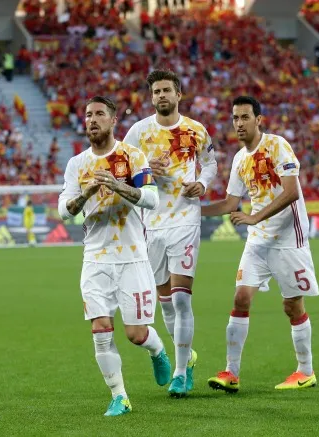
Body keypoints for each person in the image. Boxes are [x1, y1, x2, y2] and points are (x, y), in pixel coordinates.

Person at [58, 96, 170, 417]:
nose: (92, 119)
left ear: (113, 120)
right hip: (95, 258)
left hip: (132, 256)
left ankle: (157, 350)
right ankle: (119, 395)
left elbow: (151, 198)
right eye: (88, 114)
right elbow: (64, 211)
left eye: (99, 114)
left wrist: (119, 186)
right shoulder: (76, 165)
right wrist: (88, 193)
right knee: (101, 329)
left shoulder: (132, 156)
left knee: (136, 334)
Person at [201, 96, 319, 393]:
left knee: (291, 305)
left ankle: (306, 371)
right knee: (241, 298)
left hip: (289, 238)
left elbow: (291, 192)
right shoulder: (240, 159)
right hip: (258, 240)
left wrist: (254, 217)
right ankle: (231, 372)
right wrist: (192, 209)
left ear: (259, 120)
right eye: (235, 118)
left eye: (244, 117)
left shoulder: (277, 146)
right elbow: (230, 203)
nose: (239, 123)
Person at [122, 69, 217, 397]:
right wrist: (144, 171)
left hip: (185, 220)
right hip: (151, 222)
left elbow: (212, 163)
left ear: (179, 95)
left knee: (180, 298)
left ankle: (179, 373)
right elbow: (121, 172)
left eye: (166, 90)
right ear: (151, 97)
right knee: (164, 303)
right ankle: (186, 357)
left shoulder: (195, 130)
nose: (161, 96)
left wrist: (203, 183)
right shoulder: (138, 132)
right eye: (156, 92)